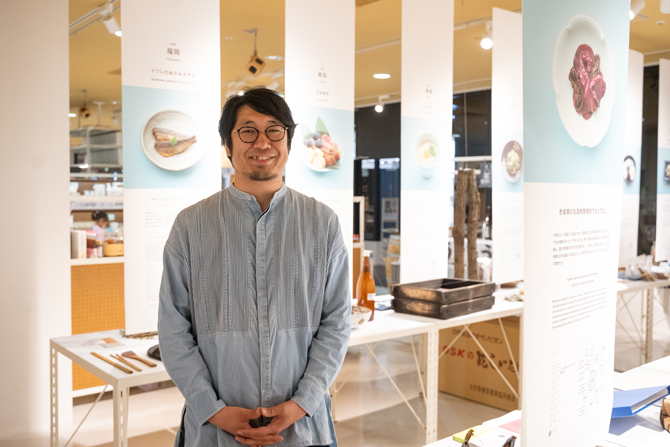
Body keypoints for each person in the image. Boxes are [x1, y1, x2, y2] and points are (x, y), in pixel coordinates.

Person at [158, 87, 351, 447]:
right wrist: (214, 410)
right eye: (248, 131)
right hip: (215, 432)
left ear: (288, 142)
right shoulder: (190, 225)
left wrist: (301, 403)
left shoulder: (322, 223)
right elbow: (173, 329)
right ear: (227, 145)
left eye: (274, 130)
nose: (263, 142)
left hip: (302, 430)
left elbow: (337, 322)